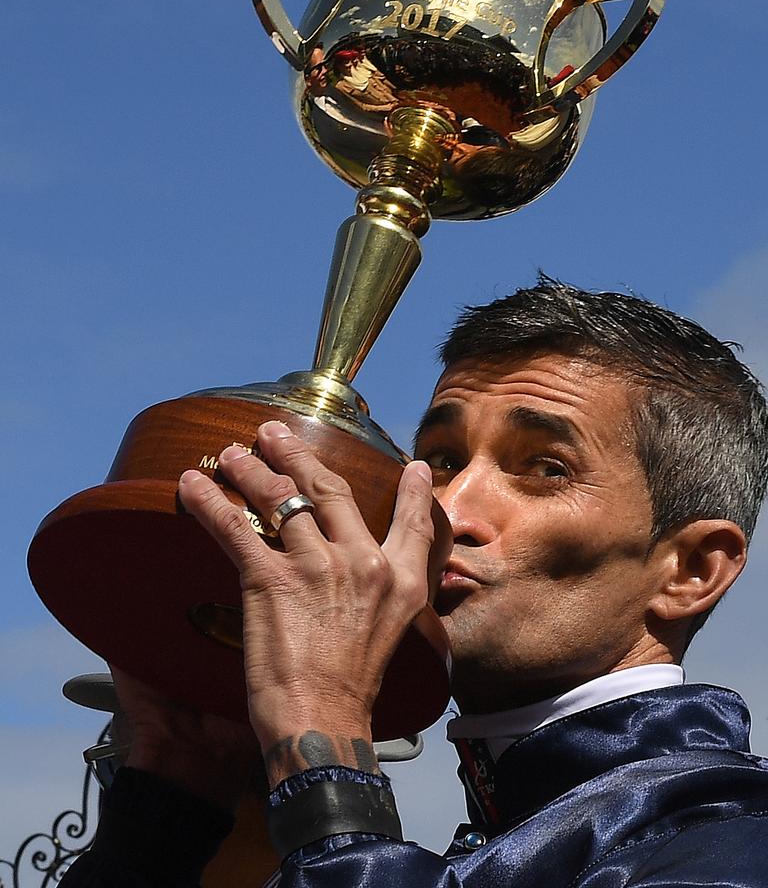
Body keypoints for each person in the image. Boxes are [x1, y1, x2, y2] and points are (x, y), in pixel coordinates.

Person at [60, 276, 768, 886]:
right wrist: (167, 805)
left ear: (691, 570)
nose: (447, 511)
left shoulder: (731, 843)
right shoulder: (498, 832)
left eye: (545, 468)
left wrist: (324, 736)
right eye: (440, 458)